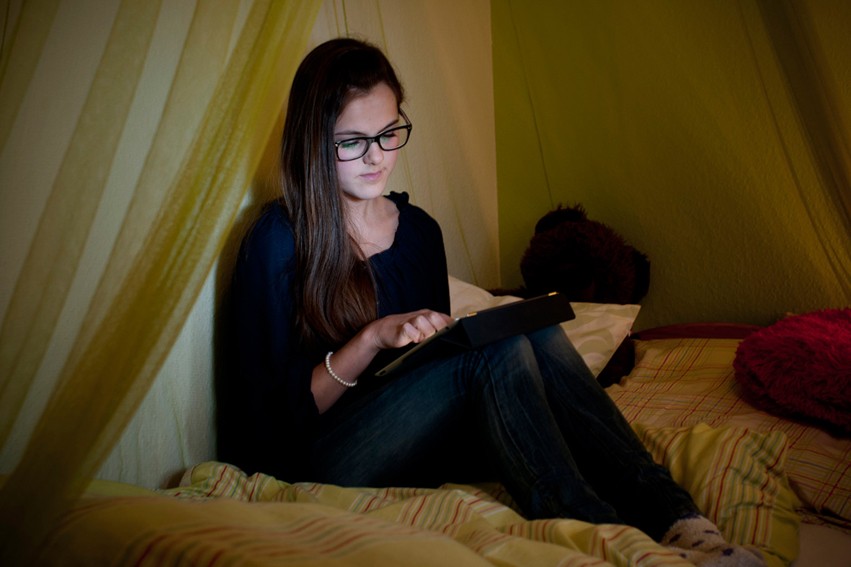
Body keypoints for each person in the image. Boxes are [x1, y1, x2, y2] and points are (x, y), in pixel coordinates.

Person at [218, 37, 763, 567]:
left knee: (529, 330)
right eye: (352, 141)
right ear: (314, 142)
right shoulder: (277, 241)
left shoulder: (419, 232)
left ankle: (680, 520)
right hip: (318, 455)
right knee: (495, 353)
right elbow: (268, 427)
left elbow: (431, 369)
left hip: (413, 438)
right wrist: (371, 339)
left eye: (388, 133)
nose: (377, 156)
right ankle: (600, 532)